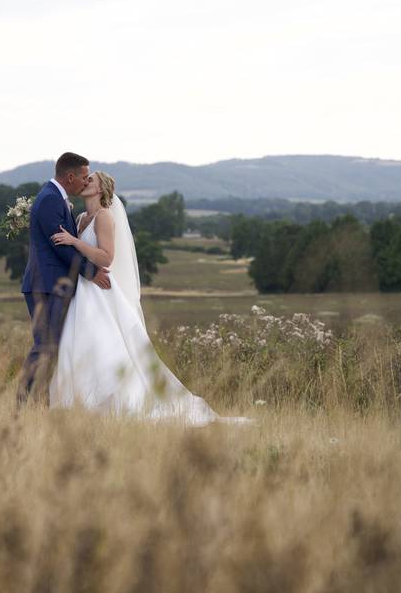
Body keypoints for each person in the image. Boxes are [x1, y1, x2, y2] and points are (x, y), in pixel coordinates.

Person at [49, 170, 251, 426]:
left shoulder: (104, 217)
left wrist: (73, 242)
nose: (85, 182)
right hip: (83, 290)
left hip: (100, 292)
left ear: (100, 189)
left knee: (103, 345)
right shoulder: (80, 218)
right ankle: (78, 405)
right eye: (85, 179)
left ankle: (114, 405)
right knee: (78, 345)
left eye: (91, 180)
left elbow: (106, 257)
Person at [18, 152, 111, 405]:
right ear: (71, 176)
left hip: (53, 285)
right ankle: (24, 403)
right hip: (46, 285)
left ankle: (40, 402)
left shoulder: (58, 199)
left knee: (52, 347)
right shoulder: (50, 199)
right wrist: (92, 273)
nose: (85, 181)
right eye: (84, 176)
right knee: (45, 346)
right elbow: (60, 247)